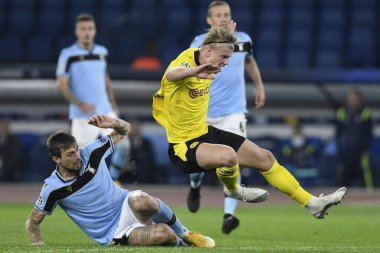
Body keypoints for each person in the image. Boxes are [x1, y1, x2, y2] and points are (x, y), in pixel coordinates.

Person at [152, 23, 347, 224]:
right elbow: (171, 74)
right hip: (182, 147)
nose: (227, 63)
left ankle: (312, 203)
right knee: (228, 156)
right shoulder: (185, 62)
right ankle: (234, 190)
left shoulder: (209, 55)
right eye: (225, 57)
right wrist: (194, 72)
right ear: (208, 51)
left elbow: (216, 43)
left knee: (266, 158)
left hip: (204, 132)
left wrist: (224, 33)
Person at [25, 115, 215, 248]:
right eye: (70, 154)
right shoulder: (53, 188)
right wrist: (36, 241)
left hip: (125, 203)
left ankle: (185, 234)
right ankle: (179, 243)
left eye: (76, 150)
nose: (77, 156)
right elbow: (32, 221)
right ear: (56, 159)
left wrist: (114, 123)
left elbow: (125, 131)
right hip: (114, 231)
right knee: (163, 234)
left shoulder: (91, 152)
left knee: (144, 201)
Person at [186, 0, 266, 234]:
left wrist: (259, 86)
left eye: (226, 14)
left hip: (234, 111)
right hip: (204, 113)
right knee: (198, 161)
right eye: (218, 15)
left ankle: (229, 214)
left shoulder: (244, 40)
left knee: (234, 158)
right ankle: (195, 185)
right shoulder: (200, 44)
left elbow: (250, 63)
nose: (222, 18)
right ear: (209, 20)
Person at [56, 13, 128, 185]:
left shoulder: (102, 52)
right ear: (77, 31)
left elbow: (106, 79)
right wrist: (80, 104)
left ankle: (113, 177)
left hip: (105, 111)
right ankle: (75, 192)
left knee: (124, 145)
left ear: (94, 31)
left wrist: (113, 106)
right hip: (82, 116)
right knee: (77, 160)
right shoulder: (68, 54)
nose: (87, 32)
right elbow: (61, 85)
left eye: (90, 28)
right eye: (83, 29)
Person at [335, 89, 373, 187]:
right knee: (342, 175)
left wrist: (364, 148)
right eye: (350, 99)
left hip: (360, 151)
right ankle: (340, 196)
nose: (352, 101)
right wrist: (340, 148)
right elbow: (338, 132)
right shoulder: (342, 112)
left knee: (365, 174)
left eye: (354, 99)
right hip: (345, 150)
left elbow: (368, 133)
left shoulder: (365, 112)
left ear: (359, 100)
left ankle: (370, 195)